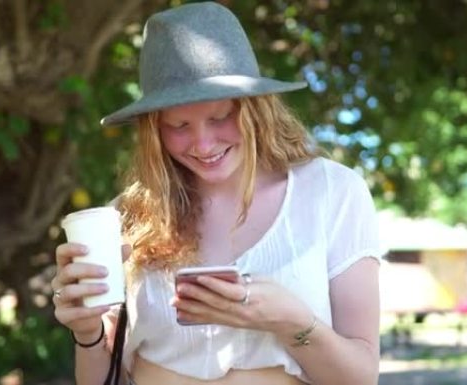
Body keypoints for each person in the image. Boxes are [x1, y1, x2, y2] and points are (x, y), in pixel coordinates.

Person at [50, 2, 381, 385]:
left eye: (220, 117)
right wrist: (87, 332)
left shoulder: (332, 193)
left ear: (257, 109)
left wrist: (290, 322)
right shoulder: (127, 217)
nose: (203, 144)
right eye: (178, 125)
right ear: (153, 131)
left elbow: (360, 378)